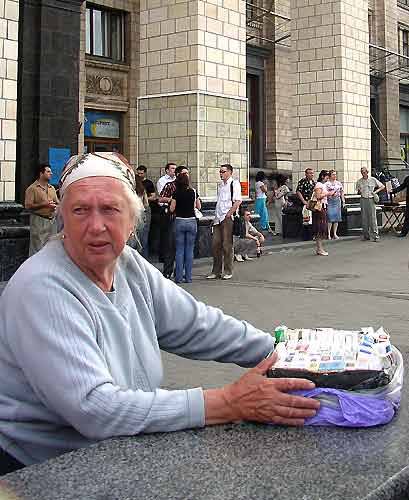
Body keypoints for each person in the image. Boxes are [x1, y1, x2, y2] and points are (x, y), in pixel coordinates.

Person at [0, 152, 319, 473]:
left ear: (132, 220)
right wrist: (229, 401)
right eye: (80, 210)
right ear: (63, 220)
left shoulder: (128, 265)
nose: (95, 225)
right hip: (40, 470)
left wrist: (288, 355)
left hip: (114, 454)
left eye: (110, 209)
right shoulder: (42, 287)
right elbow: (96, 409)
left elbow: (199, 325)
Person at [207, 164, 242, 280]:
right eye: (220, 172)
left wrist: (229, 214)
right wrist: (215, 217)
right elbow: (219, 202)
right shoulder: (221, 185)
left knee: (227, 245)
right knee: (216, 244)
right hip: (218, 218)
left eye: (223, 171)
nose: (221, 174)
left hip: (227, 217)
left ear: (230, 172)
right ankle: (216, 271)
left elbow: (238, 201)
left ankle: (228, 270)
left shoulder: (234, 184)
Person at [169, 172, 201, 283]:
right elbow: (197, 206)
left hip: (179, 221)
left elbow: (172, 209)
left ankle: (178, 277)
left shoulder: (176, 193)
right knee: (189, 249)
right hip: (191, 221)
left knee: (179, 250)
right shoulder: (192, 192)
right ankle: (188, 277)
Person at [159, 165, 189, 279]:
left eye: (187, 173)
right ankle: (167, 271)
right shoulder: (170, 185)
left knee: (183, 247)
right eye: (184, 173)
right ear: (178, 175)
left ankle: (180, 271)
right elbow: (160, 198)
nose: (186, 175)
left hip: (185, 219)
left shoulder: (189, 188)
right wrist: (171, 199)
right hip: (173, 218)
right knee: (170, 246)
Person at [24, 163, 59, 256]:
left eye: (51, 172)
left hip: (52, 221)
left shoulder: (52, 188)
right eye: (48, 171)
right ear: (41, 173)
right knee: (38, 249)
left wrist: (56, 206)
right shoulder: (32, 189)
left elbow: (57, 202)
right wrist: (44, 204)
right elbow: (28, 206)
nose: (51, 173)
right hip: (38, 221)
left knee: (52, 248)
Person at [356, 167, 385, 242]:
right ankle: (366, 235)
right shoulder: (359, 181)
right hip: (363, 199)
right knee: (364, 218)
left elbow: (382, 186)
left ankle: (375, 235)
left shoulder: (373, 179)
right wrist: (359, 191)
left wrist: (375, 192)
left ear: (367, 172)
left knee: (372, 218)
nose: (363, 173)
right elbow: (358, 191)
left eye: (364, 172)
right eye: (362, 172)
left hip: (371, 199)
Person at [156, 163, 177, 264]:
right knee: (165, 233)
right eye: (172, 168)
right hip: (164, 208)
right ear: (167, 170)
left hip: (175, 209)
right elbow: (162, 195)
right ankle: (163, 256)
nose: (174, 170)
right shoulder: (162, 181)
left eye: (175, 169)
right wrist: (173, 199)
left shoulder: (176, 180)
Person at [136, 165, 157, 258]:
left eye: (141, 173)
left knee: (144, 236)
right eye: (138, 173)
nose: (140, 175)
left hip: (144, 210)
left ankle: (143, 258)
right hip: (140, 210)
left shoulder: (148, 183)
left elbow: (153, 196)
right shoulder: (134, 183)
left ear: (145, 173)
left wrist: (145, 200)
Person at [312, 170, 333, 256]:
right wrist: (328, 193)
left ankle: (320, 248)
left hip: (322, 207)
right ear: (322, 176)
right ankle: (319, 249)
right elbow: (318, 196)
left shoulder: (322, 185)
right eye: (327, 177)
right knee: (320, 228)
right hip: (320, 208)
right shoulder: (319, 185)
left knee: (320, 228)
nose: (328, 179)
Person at [296, 168, 316, 240]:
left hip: (312, 203)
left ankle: (312, 234)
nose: (311, 174)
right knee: (306, 219)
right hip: (305, 202)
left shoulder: (313, 182)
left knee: (311, 219)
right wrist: (303, 201)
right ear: (306, 174)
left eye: (312, 173)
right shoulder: (302, 181)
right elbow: (298, 191)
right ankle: (305, 236)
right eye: (310, 173)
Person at [325, 170, 345, 240]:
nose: (335, 176)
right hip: (330, 201)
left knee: (336, 218)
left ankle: (335, 233)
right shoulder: (327, 184)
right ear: (330, 175)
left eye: (335, 174)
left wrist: (343, 200)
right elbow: (325, 192)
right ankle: (328, 234)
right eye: (333, 174)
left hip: (337, 200)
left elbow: (342, 192)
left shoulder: (338, 183)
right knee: (330, 217)